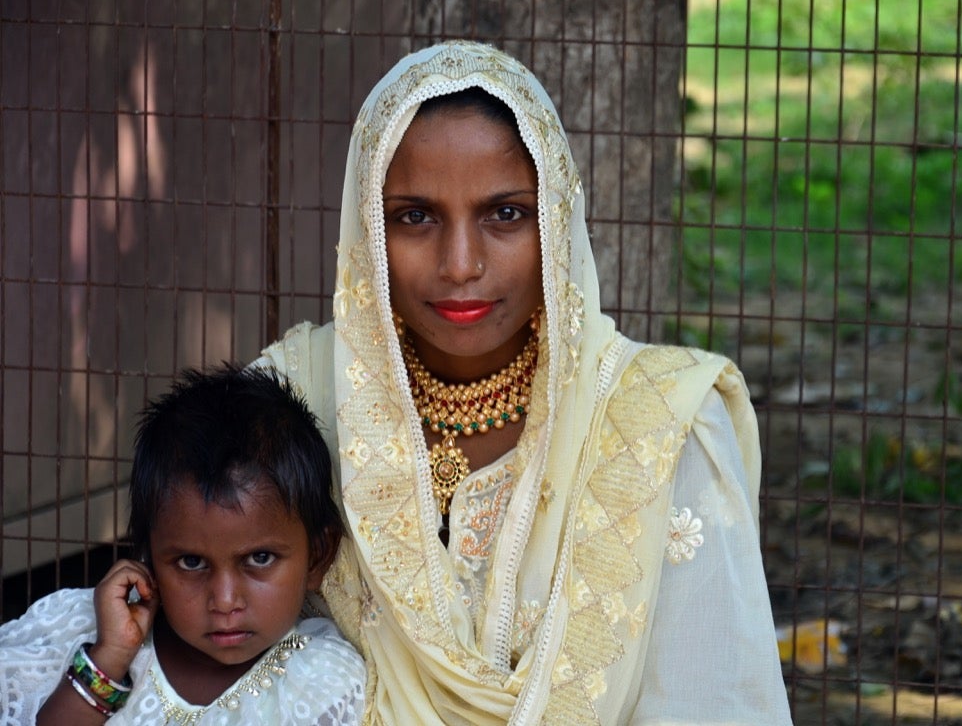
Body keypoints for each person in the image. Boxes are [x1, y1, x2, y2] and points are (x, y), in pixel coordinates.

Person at [256, 40, 792, 724]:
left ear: (557, 220)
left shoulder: (661, 422)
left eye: (504, 214)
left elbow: (706, 699)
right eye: (414, 216)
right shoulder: (291, 401)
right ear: (366, 224)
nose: (460, 264)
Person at [0, 366, 367, 725]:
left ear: (318, 556)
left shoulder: (317, 682)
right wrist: (109, 659)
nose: (224, 602)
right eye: (192, 562)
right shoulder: (94, 635)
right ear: (147, 560)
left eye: (259, 558)